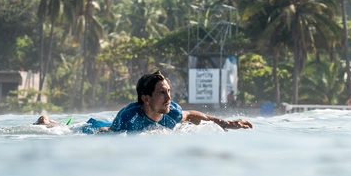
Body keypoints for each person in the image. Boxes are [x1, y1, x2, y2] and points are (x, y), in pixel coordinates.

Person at [108, 70, 253, 133]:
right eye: (162, 93)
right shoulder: (130, 119)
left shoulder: (172, 112)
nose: (169, 97)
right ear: (146, 99)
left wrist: (225, 123)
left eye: (169, 91)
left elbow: (190, 115)